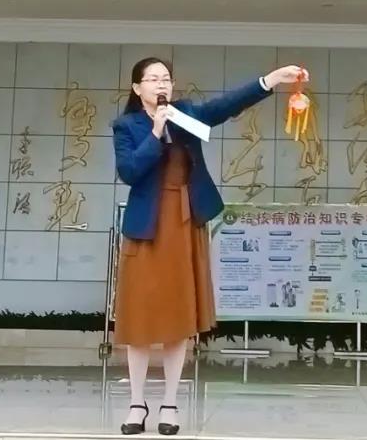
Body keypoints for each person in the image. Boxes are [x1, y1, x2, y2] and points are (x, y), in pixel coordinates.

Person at [112, 56, 307, 436]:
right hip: (146, 226)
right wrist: (156, 131)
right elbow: (130, 172)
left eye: (166, 78)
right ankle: (136, 403)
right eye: (153, 79)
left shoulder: (185, 114)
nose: (161, 84)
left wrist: (271, 79)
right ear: (137, 88)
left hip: (184, 221)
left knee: (177, 316)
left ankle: (170, 403)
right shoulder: (126, 126)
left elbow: (225, 106)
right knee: (140, 318)